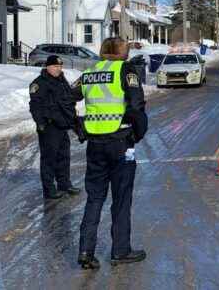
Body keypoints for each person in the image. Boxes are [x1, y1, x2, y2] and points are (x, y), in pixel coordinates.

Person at [76, 37, 148, 270]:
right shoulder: (126, 70)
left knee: (94, 198)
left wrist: (80, 128)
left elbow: (65, 99)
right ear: (120, 51)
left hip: (95, 144)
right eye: (125, 47)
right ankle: (120, 250)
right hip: (120, 143)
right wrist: (137, 134)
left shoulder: (90, 72)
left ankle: (86, 251)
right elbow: (137, 105)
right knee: (121, 198)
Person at [29, 55, 84, 200]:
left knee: (63, 157)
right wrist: (40, 123)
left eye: (60, 66)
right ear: (47, 67)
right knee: (49, 159)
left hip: (62, 125)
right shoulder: (39, 83)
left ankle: (64, 184)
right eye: (55, 66)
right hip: (49, 126)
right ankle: (49, 189)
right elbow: (35, 106)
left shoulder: (61, 81)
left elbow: (68, 100)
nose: (58, 69)